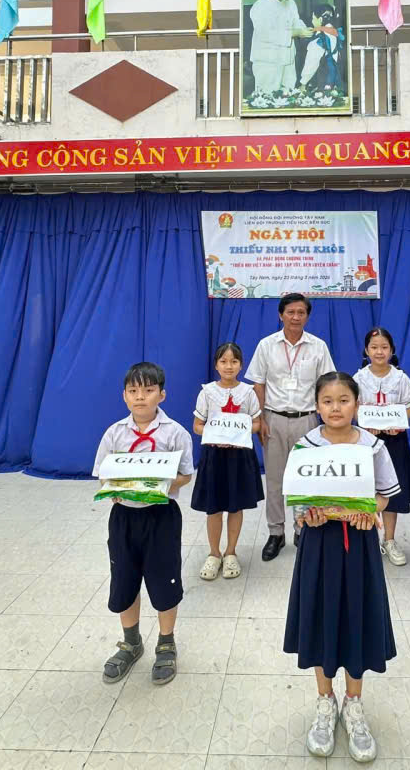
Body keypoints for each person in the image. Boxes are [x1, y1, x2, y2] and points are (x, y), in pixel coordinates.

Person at [285, 372, 399, 763]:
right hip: (319, 546)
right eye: (328, 401)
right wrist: (308, 516)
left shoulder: (372, 446)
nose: (336, 408)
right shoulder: (306, 446)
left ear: (357, 403)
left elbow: (384, 496)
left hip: (360, 546)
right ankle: (325, 701)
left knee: (356, 616)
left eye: (344, 400)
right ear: (316, 405)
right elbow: (299, 502)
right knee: (319, 615)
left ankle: (353, 702)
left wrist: (369, 511)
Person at [93, 361, 194, 686]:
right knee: (124, 578)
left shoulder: (175, 433)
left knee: (165, 580)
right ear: (124, 395)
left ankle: (166, 642)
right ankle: (131, 642)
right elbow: (103, 474)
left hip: (161, 516)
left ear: (161, 395)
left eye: (148, 390)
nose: (140, 397)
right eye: (133, 391)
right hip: (124, 518)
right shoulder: (114, 433)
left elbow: (186, 475)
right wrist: (114, 488)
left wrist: (158, 484)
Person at [246, 292, 336, 561]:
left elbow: (327, 385)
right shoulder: (266, 345)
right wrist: (260, 418)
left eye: (301, 313)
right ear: (280, 315)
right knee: (275, 479)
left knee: (305, 478)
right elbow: (258, 384)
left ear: (307, 316)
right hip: (273, 419)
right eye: (290, 312)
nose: (296, 317)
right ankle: (276, 533)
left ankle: (301, 528)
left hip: (307, 420)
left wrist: (325, 420)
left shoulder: (318, 346)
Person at [191, 342, 263, 581]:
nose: (229, 366)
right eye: (223, 361)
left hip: (239, 456)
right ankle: (214, 553)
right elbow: (197, 425)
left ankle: (231, 552)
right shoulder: (207, 392)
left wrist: (238, 433)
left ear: (241, 365)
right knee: (213, 507)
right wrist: (216, 434)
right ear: (216, 365)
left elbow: (256, 423)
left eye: (234, 361)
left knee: (235, 505)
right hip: (214, 456)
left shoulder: (248, 392)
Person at [353, 327, 410, 567]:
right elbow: (354, 407)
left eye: (384, 347)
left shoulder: (400, 378)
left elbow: (408, 407)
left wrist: (399, 426)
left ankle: (389, 540)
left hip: (394, 441)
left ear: (392, 350)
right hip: (365, 441)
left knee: (391, 491)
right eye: (374, 347)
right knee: (367, 488)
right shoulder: (358, 378)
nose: (379, 352)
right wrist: (364, 425)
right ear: (366, 350)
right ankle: (368, 539)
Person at [248, 0, 313, 95]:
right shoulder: (261, 6)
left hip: (288, 59)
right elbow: (265, 34)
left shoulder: (291, 3)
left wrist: (304, 29)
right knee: (267, 97)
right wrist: (295, 32)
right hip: (267, 61)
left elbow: (296, 21)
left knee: (289, 96)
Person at [298, 4, 345, 93]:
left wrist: (303, 83)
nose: (312, 21)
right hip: (335, 77)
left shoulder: (319, 39)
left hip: (322, 81)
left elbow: (311, 63)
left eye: (313, 18)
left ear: (319, 19)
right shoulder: (334, 33)